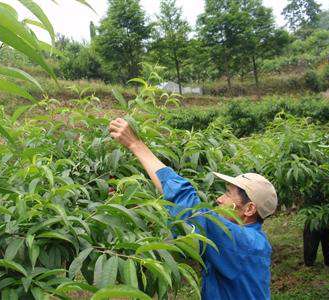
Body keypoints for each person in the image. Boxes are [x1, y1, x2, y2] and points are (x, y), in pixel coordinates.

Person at [109, 117, 278, 300]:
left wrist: (135, 144)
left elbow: (187, 204)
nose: (219, 199)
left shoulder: (242, 242)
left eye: (228, 194)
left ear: (249, 209)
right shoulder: (248, 240)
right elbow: (179, 207)